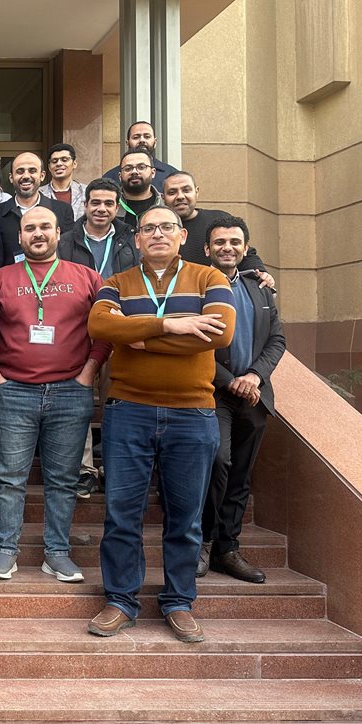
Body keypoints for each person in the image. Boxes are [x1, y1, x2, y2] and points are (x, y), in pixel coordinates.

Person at [87, 205, 236, 644]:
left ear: (182, 235)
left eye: (166, 227)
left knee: (186, 518)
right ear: (136, 239)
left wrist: (138, 336)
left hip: (193, 414)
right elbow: (99, 325)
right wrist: (172, 325)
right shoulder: (116, 283)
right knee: (121, 514)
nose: (157, 234)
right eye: (148, 228)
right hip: (127, 411)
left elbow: (220, 334)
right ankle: (120, 600)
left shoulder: (210, 278)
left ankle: (179, 602)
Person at [0, 207, 109, 581]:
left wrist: (88, 375)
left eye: (44, 227)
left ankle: (57, 553)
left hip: (70, 391)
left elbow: (105, 329)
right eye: (30, 228)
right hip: (13, 392)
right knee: (9, 478)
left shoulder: (87, 277)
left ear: (58, 233)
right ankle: (5, 550)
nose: (37, 234)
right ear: (19, 236)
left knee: (63, 479)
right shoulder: (0, 279)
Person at [199, 215, 286, 583]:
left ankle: (228, 549)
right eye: (220, 242)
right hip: (212, 392)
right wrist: (230, 380)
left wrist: (254, 376)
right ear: (207, 249)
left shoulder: (260, 288)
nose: (227, 248)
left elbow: (277, 339)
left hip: (254, 395)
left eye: (235, 242)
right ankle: (202, 542)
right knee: (217, 461)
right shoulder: (196, 286)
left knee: (241, 473)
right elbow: (193, 343)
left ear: (245, 248)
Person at [57, 177, 140, 496]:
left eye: (108, 203)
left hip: (119, 332)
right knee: (77, 402)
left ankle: (113, 465)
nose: (101, 208)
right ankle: (84, 469)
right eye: (96, 202)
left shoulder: (131, 240)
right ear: (85, 204)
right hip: (76, 331)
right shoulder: (66, 241)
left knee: (115, 402)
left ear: (117, 207)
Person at [162, 171, 267, 272]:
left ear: (196, 192)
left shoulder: (218, 219)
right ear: (163, 198)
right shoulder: (157, 229)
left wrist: (260, 272)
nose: (180, 196)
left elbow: (246, 254)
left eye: (186, 190)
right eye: (172, 192)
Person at [0, 152, 75, 266]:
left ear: (42, 176)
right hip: (10, 276)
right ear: (11, 178)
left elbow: (68, 253)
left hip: (54, 276)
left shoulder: (62, 210)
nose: (26, 176)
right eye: (20, 171)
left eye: (32, 171)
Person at [101, 120, 177, 189]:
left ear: (155, 142)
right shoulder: (110, 179)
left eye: (147, 137)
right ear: (127, 143)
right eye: (136, 137)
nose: (142, 140)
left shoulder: (171, 174)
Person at [113, 149, 165, 232]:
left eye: (141, 167)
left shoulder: (165, 204)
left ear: (153, 173)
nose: (134, 172)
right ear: (120, 176)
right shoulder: (110, 204)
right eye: (128, 169)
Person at [40, 142, 87, 220]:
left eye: (64, 160)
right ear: (49, 167)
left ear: (74, 164)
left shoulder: (86, 191)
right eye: (54, 161)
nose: (59, 164)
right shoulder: (39, 194)